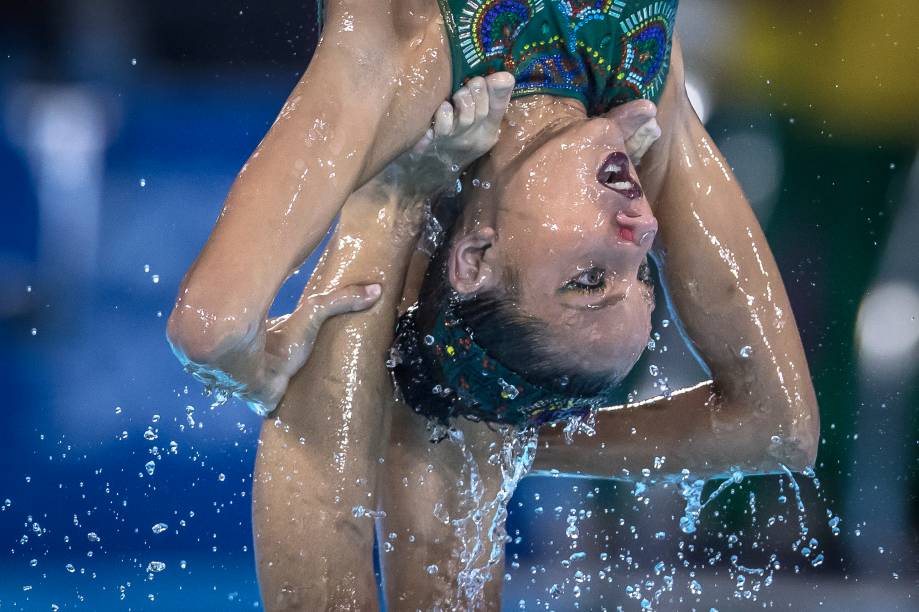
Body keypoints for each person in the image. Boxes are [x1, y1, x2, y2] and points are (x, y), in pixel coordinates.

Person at [166, 1, 820, 609]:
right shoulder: (640, 87)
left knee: (455, 415)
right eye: (641, 276)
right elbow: (778, 427)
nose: (642, 232)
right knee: (464, 419)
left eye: (591, 279)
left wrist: (386, 206)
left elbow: (212, 329)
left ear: (475, 257)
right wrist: (518, 443)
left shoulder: (408, 53)